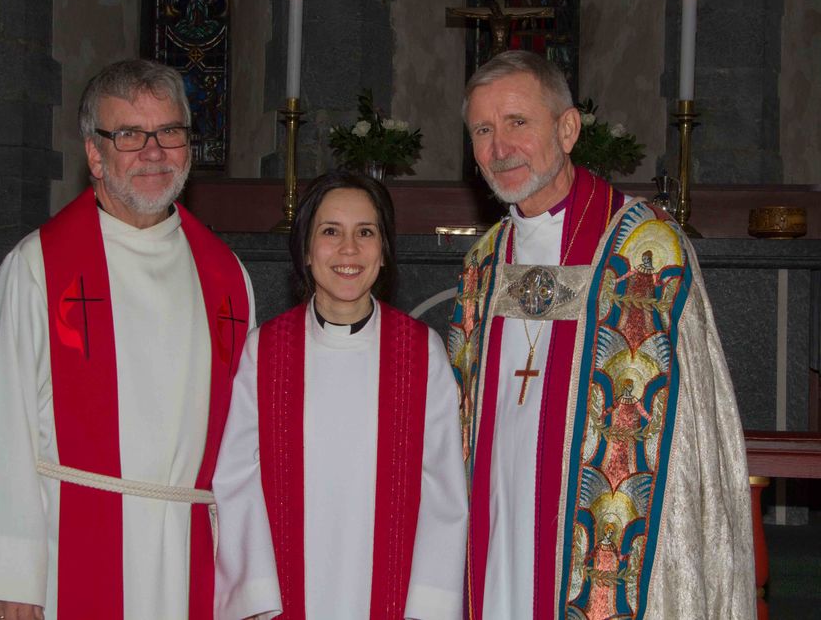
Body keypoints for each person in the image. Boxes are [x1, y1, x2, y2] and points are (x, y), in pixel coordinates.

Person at [0, 60, 281, 620]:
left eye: (169, 132)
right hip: (66, 550)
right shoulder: (38, 268)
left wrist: (248, 578)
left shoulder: (226, 276)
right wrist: (8, 572)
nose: (153, 152)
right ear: (94, 154)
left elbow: (243, 447)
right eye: (128, 135)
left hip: (189, 556)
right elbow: (0, 425)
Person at [447, 50, 755, 619]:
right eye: (482, 130)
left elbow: (690, 445)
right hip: (499, 529)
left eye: (517, 122)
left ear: (567, 129)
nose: (499, 148)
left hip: (606, 551)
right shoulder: (483, 262)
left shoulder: (648, 250)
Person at [213, 172, 468, 619]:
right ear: (306, 251)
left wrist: (428, 606)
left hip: (394, 597)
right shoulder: (266, 351)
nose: (349, 249)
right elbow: (237, 480)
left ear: (384, 252)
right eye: (331, 232)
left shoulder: (419, 352)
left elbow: (444, 492)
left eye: (365, 233)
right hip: (286, 596)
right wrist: (257, 597)